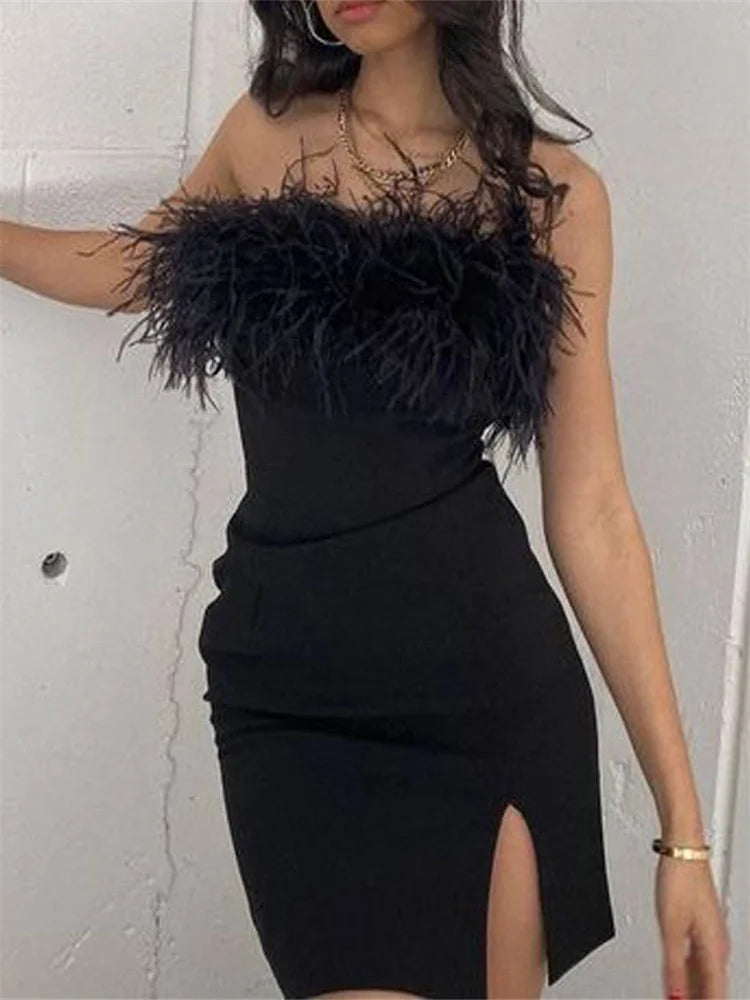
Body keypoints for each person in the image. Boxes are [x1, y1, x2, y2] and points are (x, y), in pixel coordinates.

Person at [0, 1, 731, 998]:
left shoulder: (554, 196)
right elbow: (136, 267)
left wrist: (685, 836)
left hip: (478, 696)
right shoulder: (265, 133)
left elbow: (594, 508)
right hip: (286, 693)